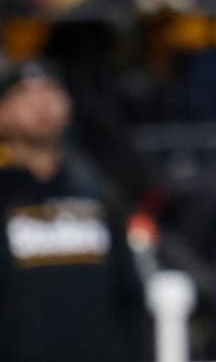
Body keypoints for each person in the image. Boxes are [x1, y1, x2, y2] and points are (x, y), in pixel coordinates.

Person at [0, 60, 148, 362]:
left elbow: (129, 296)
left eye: (51, 91)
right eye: (25, 94)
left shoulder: (100, 193)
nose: (41, 103)